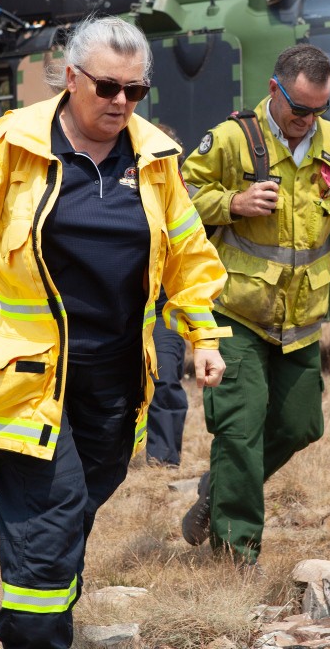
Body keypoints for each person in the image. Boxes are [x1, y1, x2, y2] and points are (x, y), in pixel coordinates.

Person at [0, 15, 230, 649]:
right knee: (50, 517)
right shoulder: (13, 145)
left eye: (136, 91)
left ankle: (33, 622)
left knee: (78, 503)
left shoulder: (156, 156)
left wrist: (203, 336)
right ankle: (38, 636)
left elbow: (189, 255)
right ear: (71, 79)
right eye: (107, 88)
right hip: (23, 376)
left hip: (116, 377)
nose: (121, 102)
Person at [180, 44, 330, 566]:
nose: (308, 121)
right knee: (240, 428)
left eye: (319, 109)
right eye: (299, 109)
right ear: (275, 90)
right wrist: (233, 203)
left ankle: (222, 483)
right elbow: (177, 196)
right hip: (237, 312)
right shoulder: (231, 140)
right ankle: (235, 558)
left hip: (302, 318)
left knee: (301, 426)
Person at [145, 122, 189, 469]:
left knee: (165, 378)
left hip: (166, 308)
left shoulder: (187, 198)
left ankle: (162, 459)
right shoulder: (124, 191)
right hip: (124, 306)